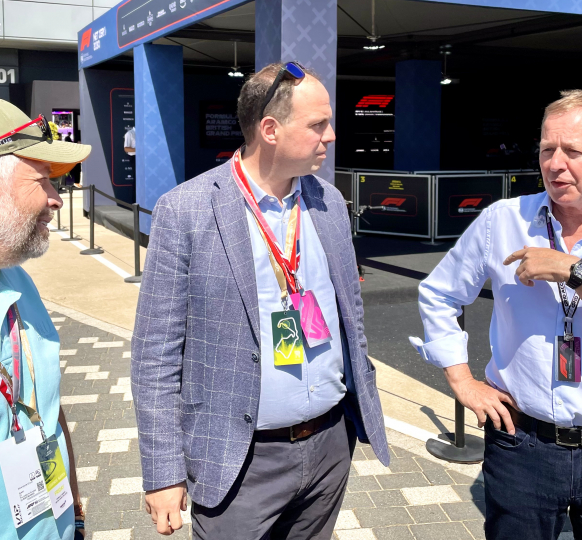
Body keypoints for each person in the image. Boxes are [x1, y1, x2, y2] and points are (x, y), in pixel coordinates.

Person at [410, 90, 582, 540]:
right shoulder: (502, 220)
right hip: (522, 446)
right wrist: (462, 380)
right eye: (547, 150)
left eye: (573, 151)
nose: (555, 164)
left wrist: (575, 272)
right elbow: (439, 294)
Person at [131, 62, 389, 540]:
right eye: (317, 125)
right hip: (239, 461)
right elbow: (154, 355)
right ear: (270, 130)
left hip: (330, 445)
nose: (330, 136)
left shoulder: (329, 203)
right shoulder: (185, 210)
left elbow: (350, 315)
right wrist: (163, 471)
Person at [0, 96, 92, 540]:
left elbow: (47, 411)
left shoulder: (16, 282)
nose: (56, 200)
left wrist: (78, 518)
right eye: (43, 180)